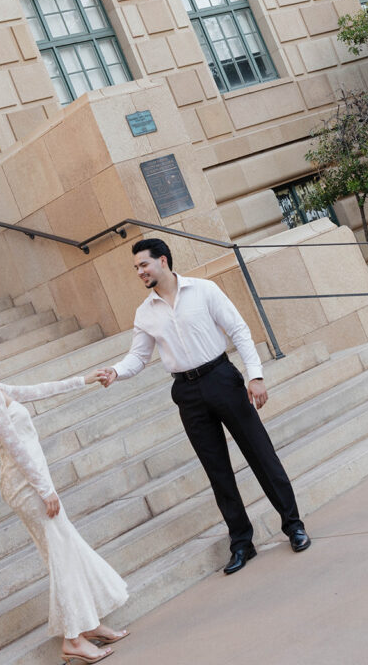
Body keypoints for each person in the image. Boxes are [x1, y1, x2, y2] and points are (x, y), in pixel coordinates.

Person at [97, 238, 311, 575]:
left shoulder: (203, 290)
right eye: (136, 267)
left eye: (143, 265)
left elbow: (238, 329)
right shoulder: (144, 313)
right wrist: (115, 371)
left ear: (162, 261)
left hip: (222, 377)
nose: (139, 272)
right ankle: (242, 542)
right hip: (187, 392)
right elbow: (138, 357)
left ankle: (293, 525)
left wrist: (255, 376)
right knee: (217, 471)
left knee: (260, 454)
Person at [0, 326, 129, 664]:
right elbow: (15, 448)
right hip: (26, 486)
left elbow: (37, 390)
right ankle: (73, 639)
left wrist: (85, 379)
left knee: (68, 550)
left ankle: (86, 625)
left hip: (29, 483)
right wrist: (45, 490)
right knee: (60, 556)